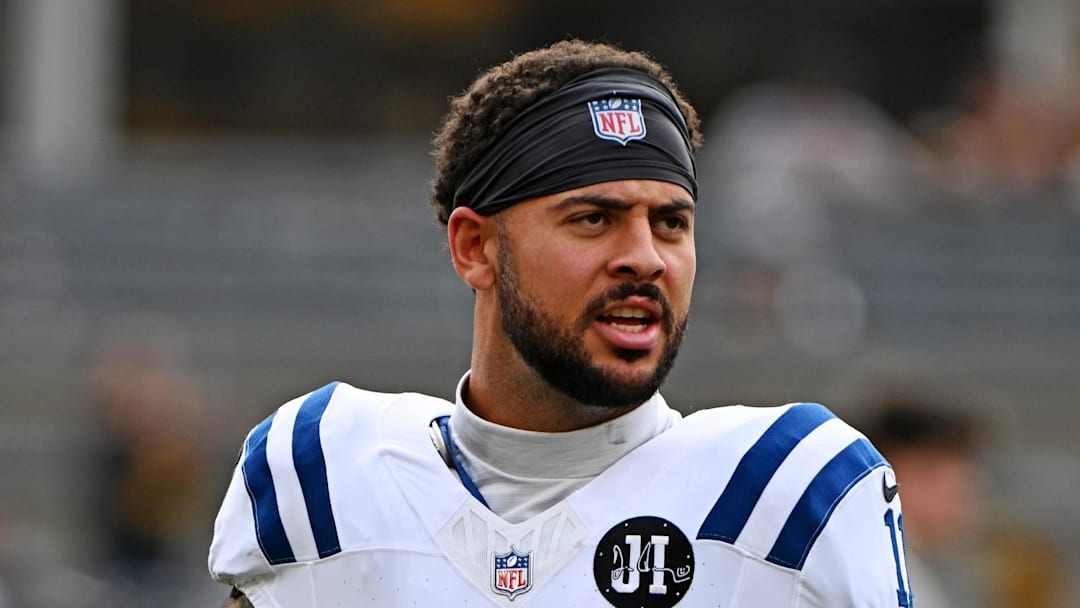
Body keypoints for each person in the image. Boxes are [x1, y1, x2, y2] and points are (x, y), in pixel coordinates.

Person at [209, 40, 913, 607]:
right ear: (474, 247)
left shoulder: (787, 494)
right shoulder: (321, 474)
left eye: (671, 223)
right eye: (594, 219)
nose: (645, 257)